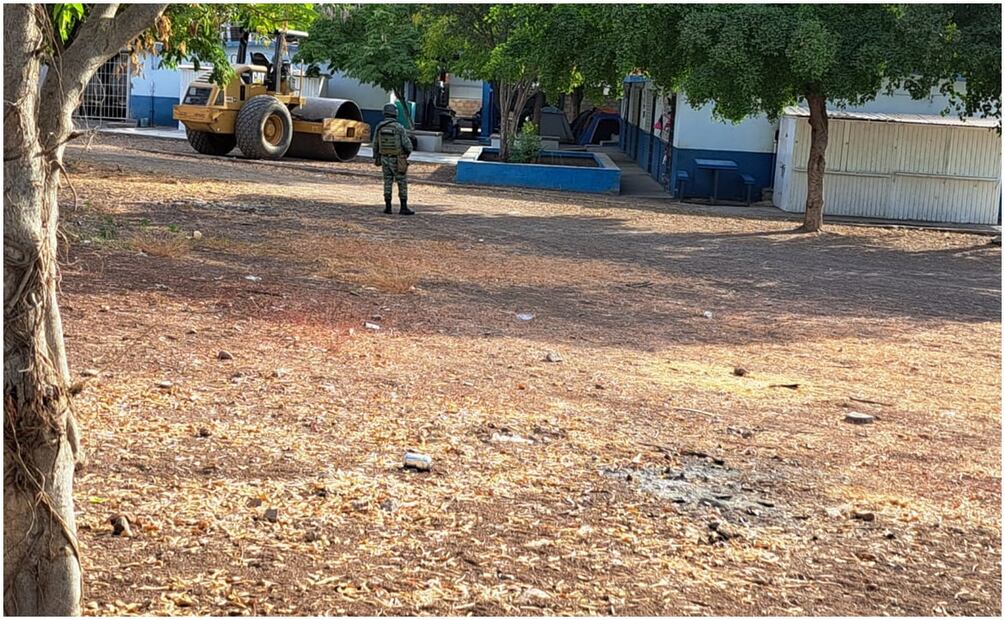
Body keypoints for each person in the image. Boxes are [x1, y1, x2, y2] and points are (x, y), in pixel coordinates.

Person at [373, 103, 414, 215]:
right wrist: (407, 154)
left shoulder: (379, 127)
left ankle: (388, 207)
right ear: (395, 113)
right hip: (397, 159)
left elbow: (375, 144)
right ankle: (403, 207)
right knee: (402, 182)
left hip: (384, 158)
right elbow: (407, 145)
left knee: (387, 182)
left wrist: (376, 157)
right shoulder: (399, 127)